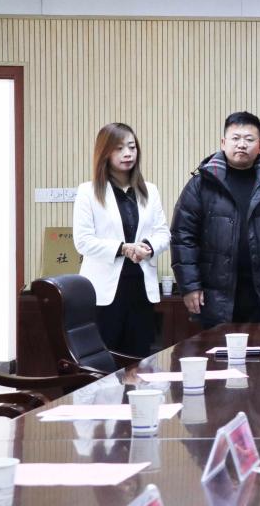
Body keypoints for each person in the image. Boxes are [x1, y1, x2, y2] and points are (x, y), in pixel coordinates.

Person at [170, 111, 260, 328]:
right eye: (235, 138)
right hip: (214, 296)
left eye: (249, 139)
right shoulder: (202, 184)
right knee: (217, 349)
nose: (242, 144)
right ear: (223, 143)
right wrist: (190, 286)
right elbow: (183, 237)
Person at [73, 123, 170, 356]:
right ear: (105, 152)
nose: (128, 154)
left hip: (140, 287)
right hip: (104, 292)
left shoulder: (150, 190)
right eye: (119, 148)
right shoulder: (88, 191)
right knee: (104, 358)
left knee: (138, 359)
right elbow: (83, 240)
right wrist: (123, 248)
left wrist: (148, 247)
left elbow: (163, 233)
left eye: (132, 147)